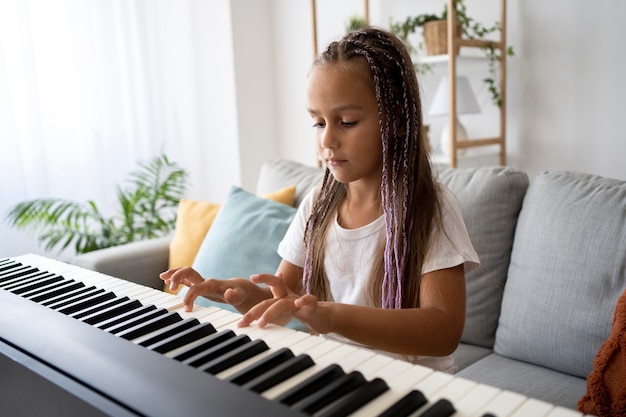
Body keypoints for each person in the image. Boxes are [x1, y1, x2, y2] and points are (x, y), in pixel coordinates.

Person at [160, 26, 479, 373]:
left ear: (398, 119)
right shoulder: (317, 207)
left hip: (416, 388)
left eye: (347, 121)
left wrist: (330, 315)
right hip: (335, 376)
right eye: (318, 122)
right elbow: (283, 300)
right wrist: (233, 292)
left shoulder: (429, 206)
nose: (327, 139)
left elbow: (443, 330)